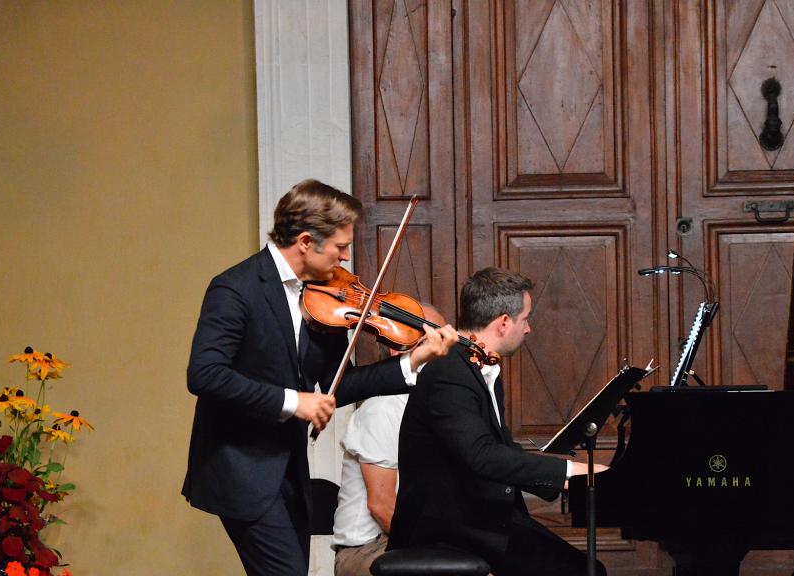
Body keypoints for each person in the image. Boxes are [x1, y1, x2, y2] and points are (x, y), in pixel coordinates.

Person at [182, 179, 458, 576]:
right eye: (340, 247)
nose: (345, 259)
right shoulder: (235, 289)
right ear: (307, 241)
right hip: (240, 467)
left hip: (288, 467)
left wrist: (413, 361)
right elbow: (205, 374)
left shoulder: (324, 298)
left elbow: (338, 385)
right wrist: (295, 401)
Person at [389, 267, 607, 576]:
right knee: (584, 571)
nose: (528, 329)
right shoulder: (448, 371)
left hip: (481, 520)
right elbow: (482, 456)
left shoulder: (481, 366)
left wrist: (565, 474)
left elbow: (500, 448)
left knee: (588, 569)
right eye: (525, 319)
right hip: (447, 531)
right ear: (504, 323)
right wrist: (569, 470)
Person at [332, 303, 446, 576]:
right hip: (368, 550)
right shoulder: (382, 408)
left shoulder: (430, 402)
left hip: (402, 540)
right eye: (434, 337)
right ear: (399, 348)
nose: (446, 348)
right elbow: (381, 506)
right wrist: (438, 551)